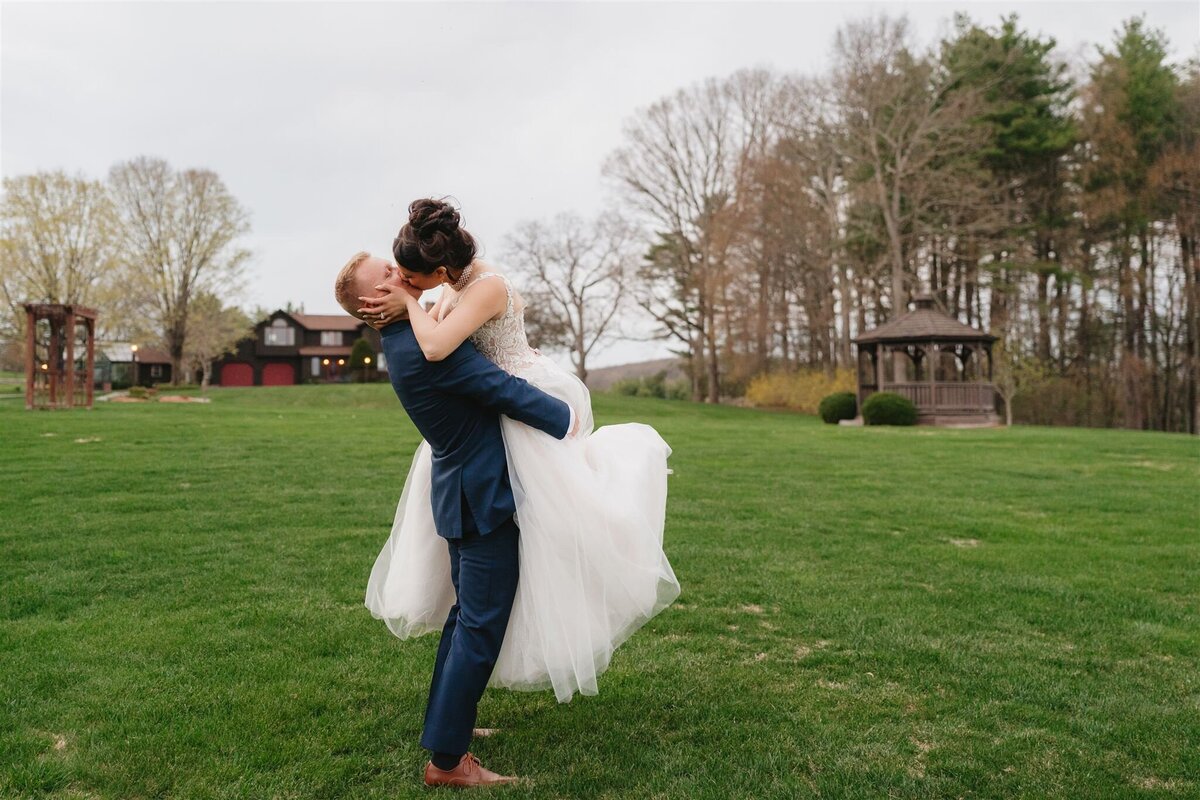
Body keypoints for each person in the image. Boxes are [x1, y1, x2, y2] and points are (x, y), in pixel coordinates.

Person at [357, 199, 680, 707]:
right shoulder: (451, 287)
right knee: (482, 598)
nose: (400, 280)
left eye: (407, 274)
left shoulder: (484, 286)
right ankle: (452, 730)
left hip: (523, 393)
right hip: (492, 413)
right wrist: (414, 303)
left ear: (440, 270)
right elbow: (441, 345)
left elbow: (441, 348)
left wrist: (411, 308)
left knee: (560, 521)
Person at [335, 251, 576, 787]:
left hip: (460, 491)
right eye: (387, 276)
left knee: (465, 618)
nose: (400, 274)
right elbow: (501, 391)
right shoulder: (426, 352)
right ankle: (447, 762)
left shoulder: (407, 339)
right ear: (373, 302)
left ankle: (449, 725)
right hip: (482, 495)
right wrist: (567, 417)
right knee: (479, 626)